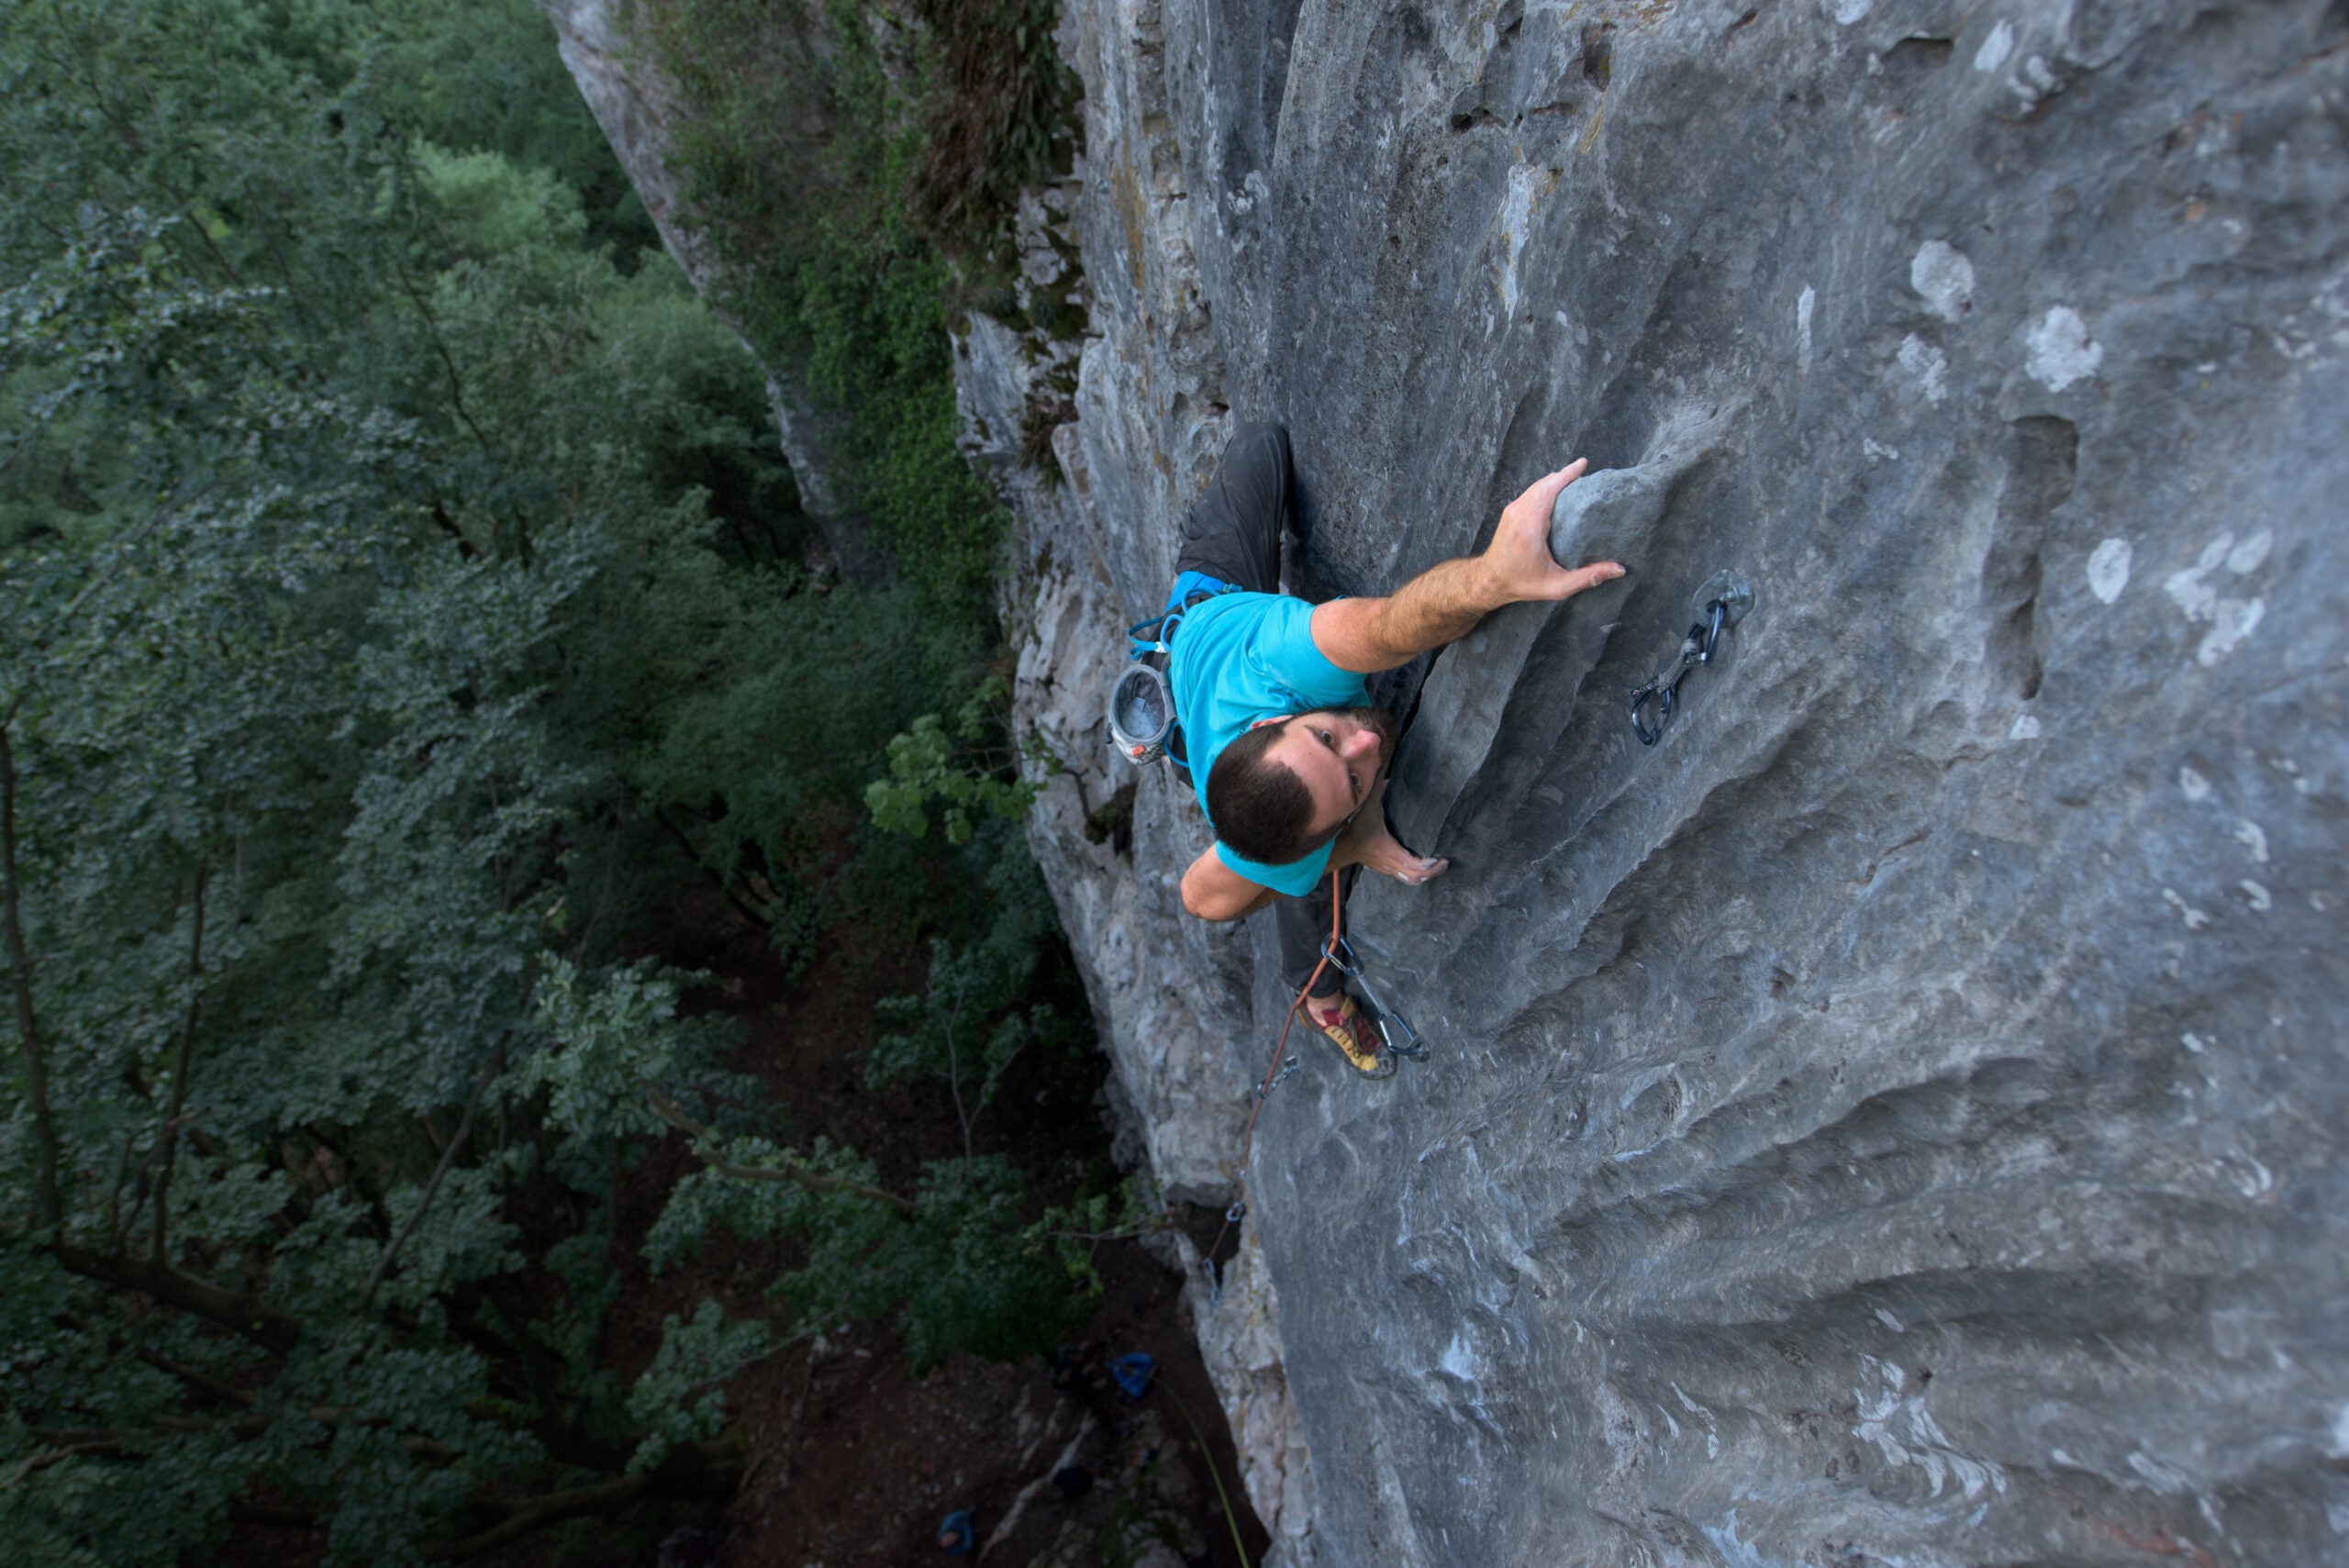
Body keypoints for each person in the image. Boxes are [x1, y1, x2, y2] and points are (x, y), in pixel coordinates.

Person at [1163, 424, 1624, 1073]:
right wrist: (1350, 849)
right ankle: (1319, 996)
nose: (1365, 740)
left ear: (1270, 725)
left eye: (1324, 735)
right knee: (1305, 883)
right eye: (1354, 780)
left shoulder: (1283, 658)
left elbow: (1389, 625)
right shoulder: (1288, 842)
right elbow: (1200, 898)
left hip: (1208, 615)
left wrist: (1494, 576)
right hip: (1233, 763)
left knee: (1261, 444)